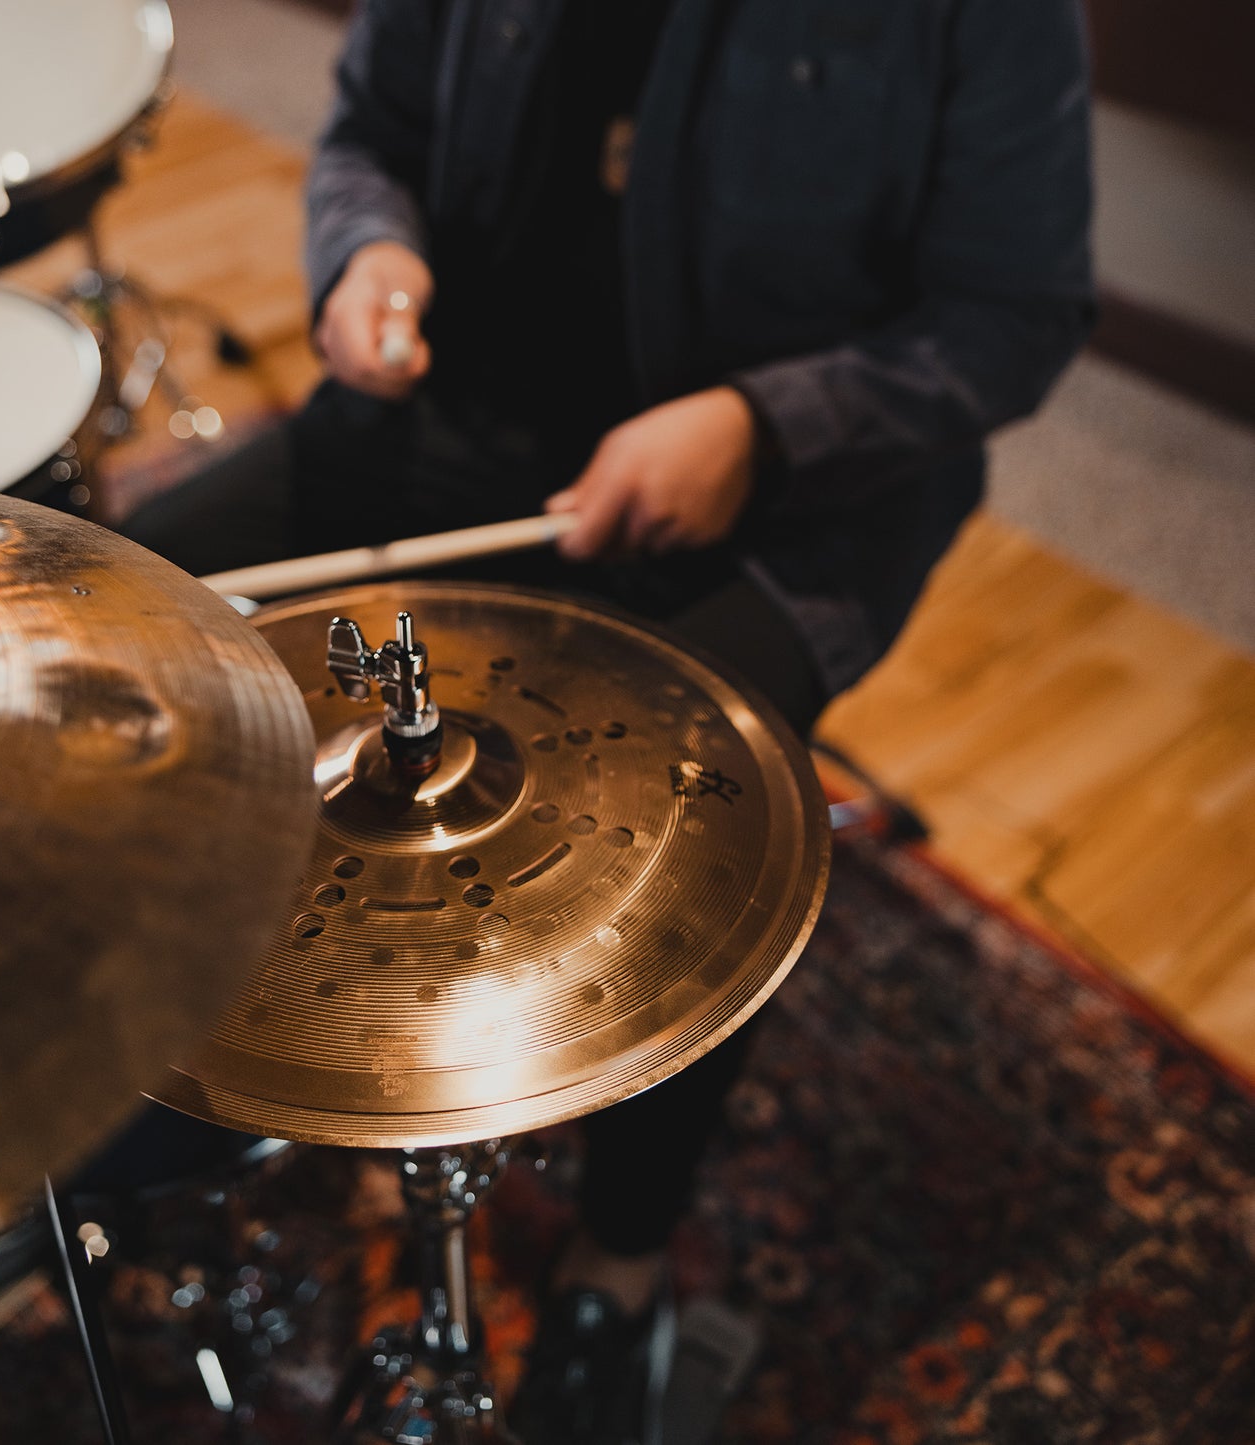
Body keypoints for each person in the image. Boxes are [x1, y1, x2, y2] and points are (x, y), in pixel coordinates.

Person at [121, 0, 1093, 1436]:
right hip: (466, 409)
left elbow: (1012, 316)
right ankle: (165, 1089)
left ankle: (620, 1264)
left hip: (786, 505)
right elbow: (375, 129)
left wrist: (760, 427)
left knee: (690, 838)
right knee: (126, 630)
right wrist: (370, 251)